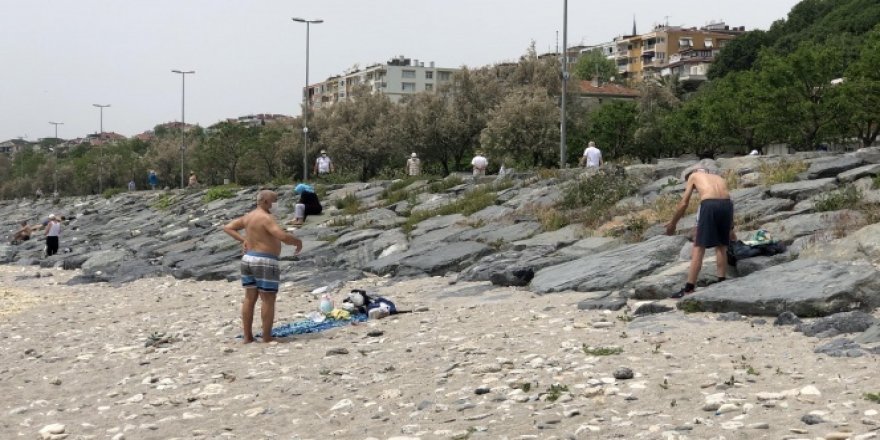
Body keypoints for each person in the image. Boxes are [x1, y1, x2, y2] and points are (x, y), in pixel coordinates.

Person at [223, 190, 303, 343]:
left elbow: (228, 227)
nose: (276, 204)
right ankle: (267, 336)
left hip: (248, 259)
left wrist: (244, 240)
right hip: (264, 261)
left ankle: (247, 337)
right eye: (275, 200)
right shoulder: (266, 218)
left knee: (249, 297)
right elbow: (282, 236)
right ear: (265, 202)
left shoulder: (249, 216)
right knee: (268, 298)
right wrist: (297, 242)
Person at [665, 160, 733, 298]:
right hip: (727, 204)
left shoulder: (693, 176)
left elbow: (684, 203)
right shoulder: (718, 178)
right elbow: (724, 199)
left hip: (709, 205)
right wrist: (731, 229)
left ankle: (689, 287)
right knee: (721, 245)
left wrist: (673, 223)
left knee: (698, 246)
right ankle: (721, 281)